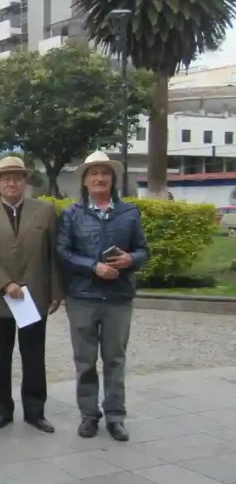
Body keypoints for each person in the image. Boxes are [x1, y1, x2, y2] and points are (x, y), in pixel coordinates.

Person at [57, 151, 149, 442]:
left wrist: (130, 260)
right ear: (84, 180)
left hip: (118, 297)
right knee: (85, 360)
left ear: (113, 179)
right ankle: (88, 414)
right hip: (82, 296)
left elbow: (143, 250)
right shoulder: (72, 214)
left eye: (104, 173)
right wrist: (92, 266)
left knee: (115, 359)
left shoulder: (129, 213)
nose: (99, 178)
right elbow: (62, 252)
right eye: (93, 173)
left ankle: (115, 415)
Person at [0, 156, 62, 433]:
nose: (11, 182)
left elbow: (54, 254)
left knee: (34, 356)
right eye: (6, 178)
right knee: (2, 356)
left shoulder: (45, 211)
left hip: (35, 297)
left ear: (26, 181)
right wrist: (4, 283)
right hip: (1, 298)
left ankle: (35, 411)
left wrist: (57, 291)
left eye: (17, 177)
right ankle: (2, 411)